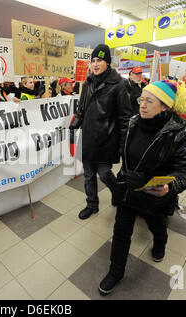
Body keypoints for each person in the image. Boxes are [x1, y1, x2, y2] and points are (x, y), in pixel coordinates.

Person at [99, 80, 186, 294]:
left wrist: (169, 187)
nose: (142, 105)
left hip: (156, 194)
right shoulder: (134, 121)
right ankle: (116, 271)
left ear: (165, 106)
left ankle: (160, 242)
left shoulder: (180, 133)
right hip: (128, 187)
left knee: (157, 226)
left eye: (149, 101)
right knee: (121, 231)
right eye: (141, 99)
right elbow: (125, 153)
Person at [69, 44, 131, 220]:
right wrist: (73, 125)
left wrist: (123, 144)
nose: (95, 64)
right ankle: (92, 204)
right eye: (93, 61)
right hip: (88, 138)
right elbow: (81, 109)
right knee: (88, 175)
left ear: (108, 63)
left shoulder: (119, 85)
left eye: (100, 60)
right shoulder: (87, 83)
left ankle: (118, 192)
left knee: (104, 174)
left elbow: (124, 118)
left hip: (107, 140)